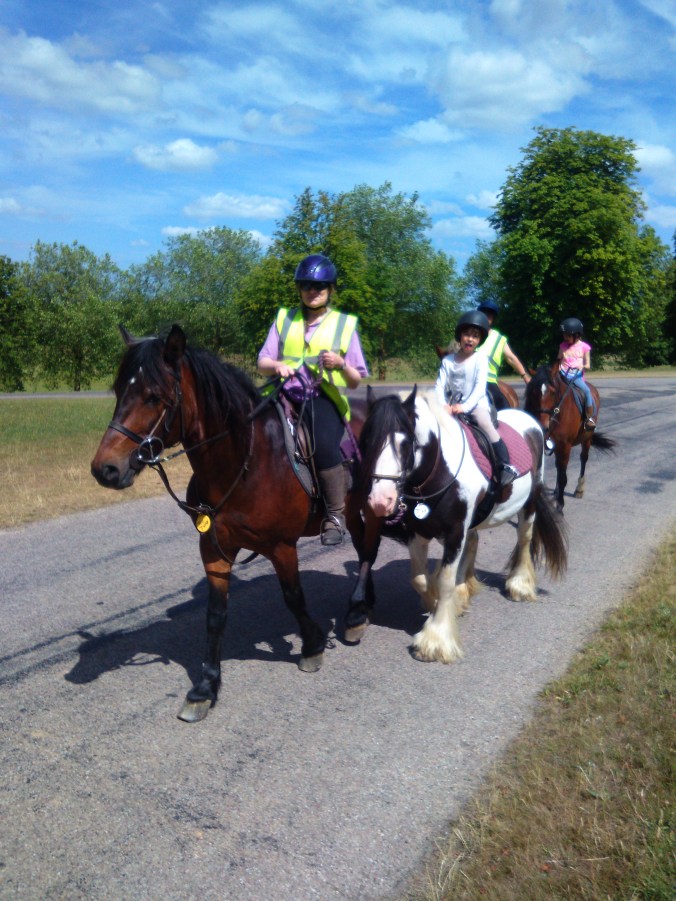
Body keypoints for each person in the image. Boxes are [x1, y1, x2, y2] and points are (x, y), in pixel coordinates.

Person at [258, 253, 369, 545]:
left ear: (330, 290)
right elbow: (263, 361)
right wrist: (277, 366)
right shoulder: (284, 318)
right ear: (299, 288)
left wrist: (340, 363)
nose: (313, 291)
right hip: (281, 393)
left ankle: (335, 514)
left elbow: (356, 379)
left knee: (322, 444)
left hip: (320, 398)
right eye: (307, 285)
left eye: (319, 287)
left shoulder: (344, 324)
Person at [435, 310, 519, 488]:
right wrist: (442, 405)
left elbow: (480, 388)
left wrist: (465, 407)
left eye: (475, 336)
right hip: (450, 406)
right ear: (460, 336)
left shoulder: (480, 359)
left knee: (485, 423)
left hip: (475, 405)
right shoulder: (448, 361)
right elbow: (439, 386)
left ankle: (505, 465)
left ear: (479, 340)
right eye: (467, 334)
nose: (470, 339)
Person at [475, 300, 530, 409]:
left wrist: (525, 376)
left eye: (489, 315)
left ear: (493, 319)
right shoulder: (469, 334)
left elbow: (511, 358)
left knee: (504, 411)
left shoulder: (498, 339)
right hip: (467, 379)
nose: (487, 317)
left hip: (488, 382)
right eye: (484, 314)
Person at [557, 317, 596, 429]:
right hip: (562, 375)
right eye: (564, 335)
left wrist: (582, 366)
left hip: (575, 376)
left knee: (587, 391)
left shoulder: (584, 347)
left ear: (577, 335)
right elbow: (558, 359)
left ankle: (589, 418)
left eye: (568, 335)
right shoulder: (562, 346)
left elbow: (588, 365)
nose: (565, 338)